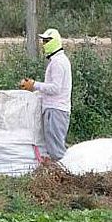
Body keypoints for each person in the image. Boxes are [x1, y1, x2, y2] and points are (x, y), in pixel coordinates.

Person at [20, 29, 72, 161]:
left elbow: (55, 88)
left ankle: (66, 176)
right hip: (55, 109)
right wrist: (34, 90)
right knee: (54, 146)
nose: (44, 44)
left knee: (56, 150)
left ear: (54, 42)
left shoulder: (58, 63)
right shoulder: (57, 60)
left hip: (56, 110)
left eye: (47, 41)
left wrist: (34, 84)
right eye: (43, 41)